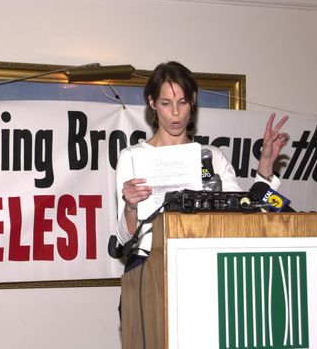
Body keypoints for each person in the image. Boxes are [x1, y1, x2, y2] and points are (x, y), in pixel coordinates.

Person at [115, 61, 289, 272]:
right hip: (148, 268)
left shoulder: (212, 156)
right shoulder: (132, 157)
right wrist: (131, 207)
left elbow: (247, 217)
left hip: (203, 264)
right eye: (166, 103)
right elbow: (124, 237)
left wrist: (266, 166)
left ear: (194, 100)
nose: (176, 113)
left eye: (183, 102)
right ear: (152, 103)